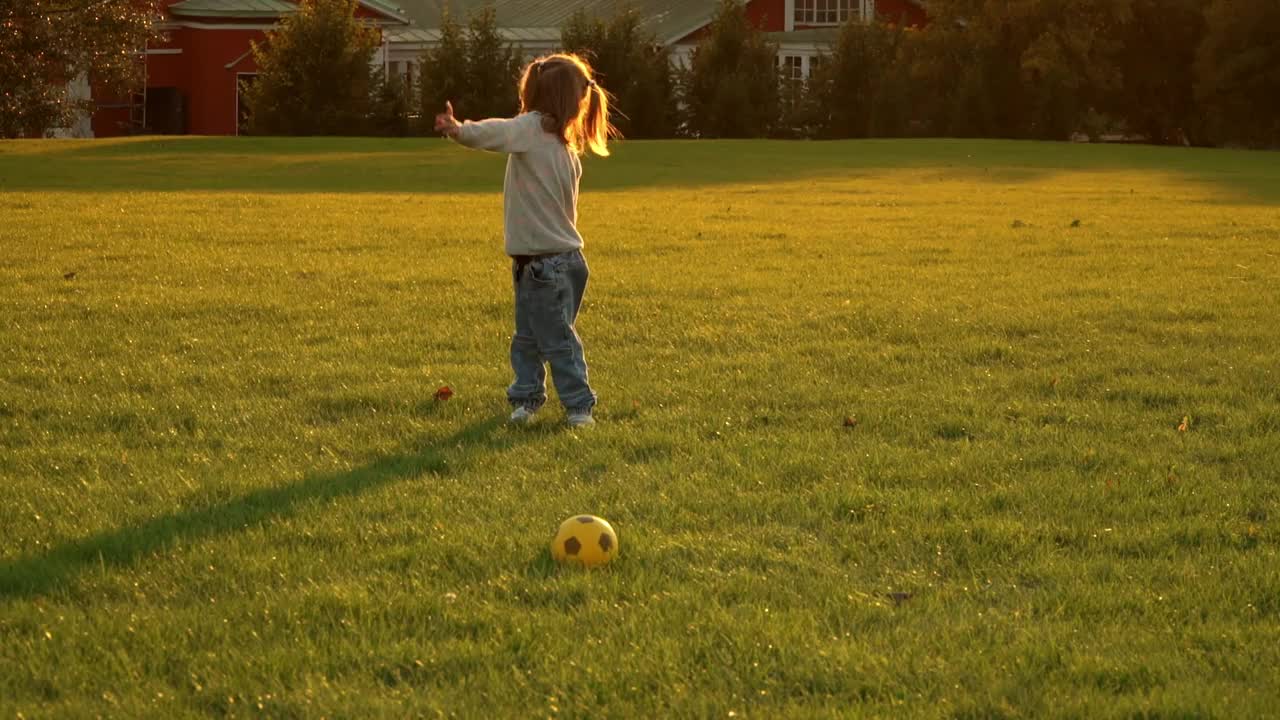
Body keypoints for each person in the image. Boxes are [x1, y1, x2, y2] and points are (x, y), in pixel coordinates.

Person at [434, 53, 615, 428]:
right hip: (560, 261)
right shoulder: (564, 146)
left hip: (542, 264)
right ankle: (527, 400)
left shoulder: (532, 129)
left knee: (551, 341)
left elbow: (496, 132)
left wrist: (458, 129)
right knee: (532, 338)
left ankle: (578, 407)